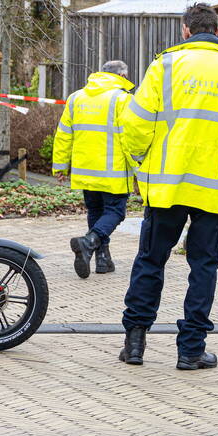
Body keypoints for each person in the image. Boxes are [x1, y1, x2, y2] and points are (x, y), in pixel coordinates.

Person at [120, 3, 218, 371]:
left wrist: (140, 163)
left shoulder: (164, 65)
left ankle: (135, 342)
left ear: (185, 31)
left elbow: (135, 125)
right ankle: (191, 350)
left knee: (151, 260)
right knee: (204, 268)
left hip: (167, 187)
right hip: (216, 189)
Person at [52, 60, 134, 278]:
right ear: (122, 76)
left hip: (85, 171)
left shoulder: (76, 97)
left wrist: (60, 165)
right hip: (113, 171)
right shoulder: (122, 99)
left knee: (96, 212)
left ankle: (102, 259)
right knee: (115, 212)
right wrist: (140, 167)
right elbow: (132, 137)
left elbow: (63, 134)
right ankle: (89, 242)